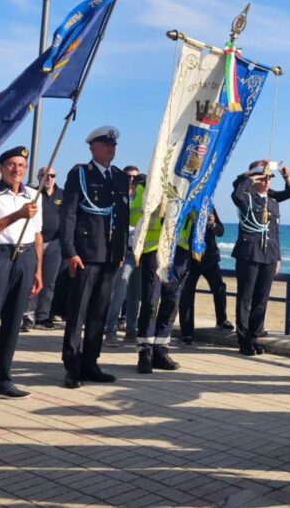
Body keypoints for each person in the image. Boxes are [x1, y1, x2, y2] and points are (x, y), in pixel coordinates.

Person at [59, 127, 130, 389]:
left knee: (99, 312)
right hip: (86, 254)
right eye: (105, 144)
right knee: (78, 312)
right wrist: (70, 251)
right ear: (92, 147)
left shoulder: (121, 177)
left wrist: (120, 251)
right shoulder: (80, 174)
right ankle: (73, 366)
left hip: (110, 256)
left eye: (113, 144)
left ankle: (91, 363)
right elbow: (68, 214)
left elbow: (121, 218)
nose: (111, 148)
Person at [0, 146, 43, 398]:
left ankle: (1, 379)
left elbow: (37, 234)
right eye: (11, 165)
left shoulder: (32, 195)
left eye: (21, 165)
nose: (17, 169)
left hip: (25, 256)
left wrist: (38, 269)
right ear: (1, 168)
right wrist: (17, 215)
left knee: (13, 322)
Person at [231, 160, 290, 356]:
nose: (267, 181)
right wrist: (250, 175)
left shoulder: (272, 199)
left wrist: (286, 176)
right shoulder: (247, 197)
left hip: (269, 254)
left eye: (269, 177)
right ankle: (243, 341)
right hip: (249, 253)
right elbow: (236, 193)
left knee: (261, 299)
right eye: (263, 177)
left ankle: (253, 337)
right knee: (245, 298)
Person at [131, 180, 193, 373]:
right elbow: (133, 217)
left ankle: (161, 350)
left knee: (171, 303)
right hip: (154, 250)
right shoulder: (148, 184)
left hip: (179, 252)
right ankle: (145, 352)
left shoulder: (189, 186)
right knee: (150, 302)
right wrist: (159, 213)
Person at [178, 206, 231, 344]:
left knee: (219, 288)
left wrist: (212, 224)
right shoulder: (186, 205)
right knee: (186, 295)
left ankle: (222, 320)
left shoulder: (209, 206)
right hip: (189, 258)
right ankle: (187, 333)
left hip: (210, 258)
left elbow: (221, 231)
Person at [23, 166, 65, 331]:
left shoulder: (62, 194)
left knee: (49, 281)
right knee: (32, 279)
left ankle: (43, 316)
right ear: (38, 177)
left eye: (52, 175)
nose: (48, 178)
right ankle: (28, 315)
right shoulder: (30, 194)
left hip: (55, 242)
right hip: (34, 241)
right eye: (44, 175)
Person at [104, 165, 140, 346]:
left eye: (135, 177)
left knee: (136, 295)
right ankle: (110, 330)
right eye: (128, 177)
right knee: (120, 292)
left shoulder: (142, 198)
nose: (132, 180)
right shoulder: (117, 198)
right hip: (124, 251)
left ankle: (131, 331)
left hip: (140, 252)